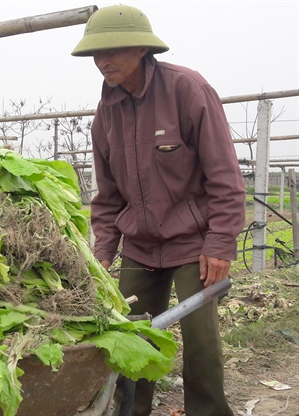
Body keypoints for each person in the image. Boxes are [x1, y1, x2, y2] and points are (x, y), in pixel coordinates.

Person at [71, 5, 245, 416]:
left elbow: (225, 176)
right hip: (141, 247)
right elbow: (109, 195)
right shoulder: (106, 114)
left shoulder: (188, 90)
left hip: (193, 244)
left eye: (111, 51)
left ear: (142, 48)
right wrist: (102, 252)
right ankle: (132, 411)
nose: (102, 62)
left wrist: (220, 244)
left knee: (201, 343)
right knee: (130, 340)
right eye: (95, 54)